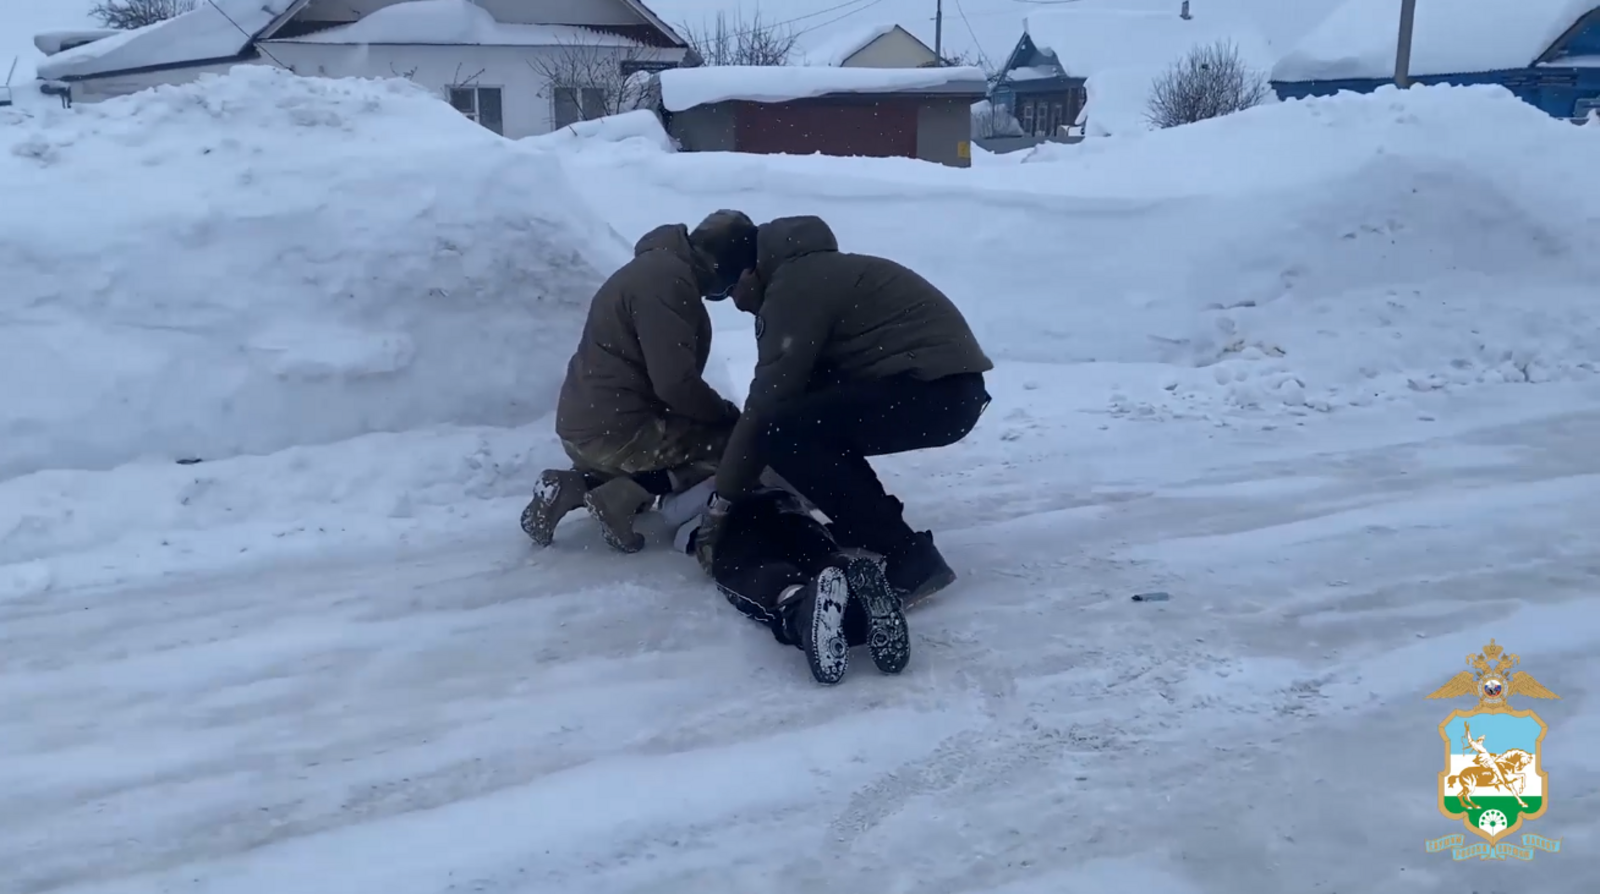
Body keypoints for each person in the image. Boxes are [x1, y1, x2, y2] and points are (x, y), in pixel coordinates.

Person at [694, 215, 994, 606]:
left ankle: (909, 559)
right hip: (942, 388)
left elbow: (767, 402)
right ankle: (870, 528)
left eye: (731, 289)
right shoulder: (810, 272)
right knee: (804, 424)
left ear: (751, 270)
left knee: (783, 432)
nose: (734, 302)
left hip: (936, 390)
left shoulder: (795, 285)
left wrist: (721, 504)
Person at [520, 210, 758, 553]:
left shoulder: (652, 270)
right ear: (724, 265)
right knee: (732, 447)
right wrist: (724, 415)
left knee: (651, 449)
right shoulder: (669, 283)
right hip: (620, 430)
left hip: (584, 424)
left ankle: (570, 487)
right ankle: (620, 498)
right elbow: (675, 384)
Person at [674, 481, 910, 685]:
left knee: (752, 569)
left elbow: (670, 512)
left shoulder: (686, 473)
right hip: (787, 508)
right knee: (820, 556)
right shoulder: (762, 449)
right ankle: (855, 587)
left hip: (730, 526)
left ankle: (798, 606)